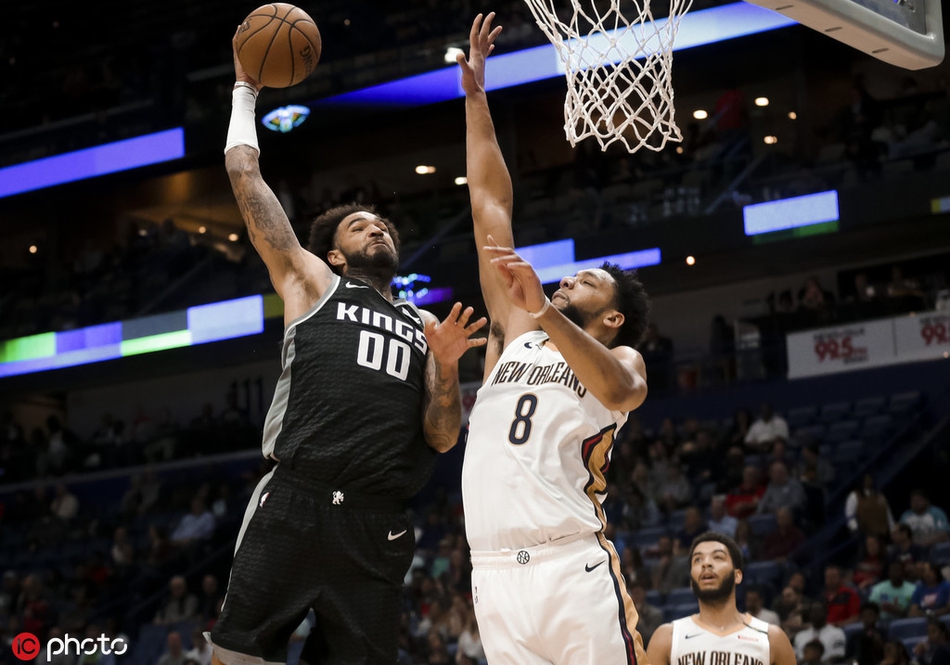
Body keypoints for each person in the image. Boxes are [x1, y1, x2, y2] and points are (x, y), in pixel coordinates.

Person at [207, 27, 487, 665]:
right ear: (334, 253)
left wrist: (446, 368)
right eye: (361, 226)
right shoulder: (312, 283)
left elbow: (442, 437)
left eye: (384, 224)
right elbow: (244, 174)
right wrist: (245, 89)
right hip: (295, 502)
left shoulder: (424, 324)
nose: (378, 228)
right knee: (237, 659)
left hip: (377, 520)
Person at [459, 13, 652, 664]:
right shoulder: (517, 328)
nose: (570, 277)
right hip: (492, 572)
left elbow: (621, 392)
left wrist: (543, 309)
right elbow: (489, 204)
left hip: (571, 565)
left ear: (613, 317)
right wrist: (477, 101)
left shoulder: (619, 356)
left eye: (588, 280)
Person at [646, 533, 796, 665]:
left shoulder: (771, 638)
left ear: (737, 575)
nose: (706, 563)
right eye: (698, 560)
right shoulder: (667, 638)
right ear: (691, 581)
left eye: (718, 557)